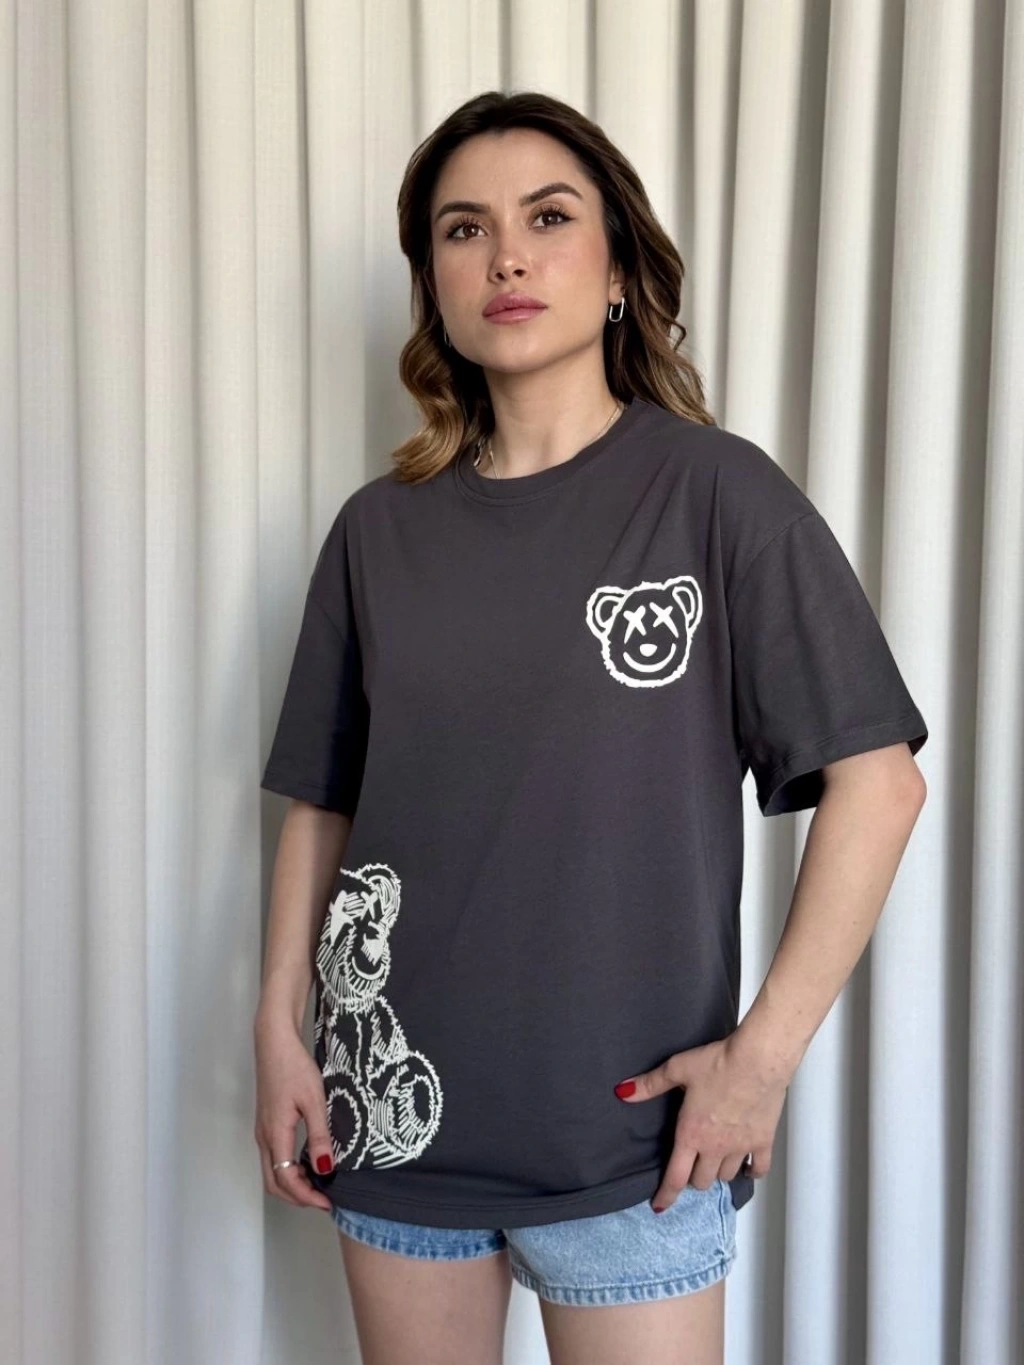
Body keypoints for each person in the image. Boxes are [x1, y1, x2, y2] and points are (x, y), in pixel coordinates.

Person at [253, 90, 928, 1365]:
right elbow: (324, 802)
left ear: (618, 270)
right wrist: (277, 1026)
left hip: (632, 1145)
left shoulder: (715, 494)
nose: (505, 256)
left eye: (548, 218)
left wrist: (760, 1063)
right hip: (392, 1125)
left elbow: (879, 784)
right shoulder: (376, 532)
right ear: (433, 286)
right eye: (464, 230)